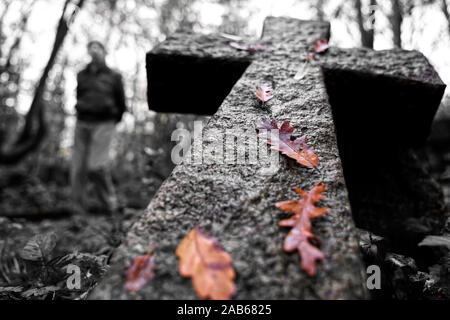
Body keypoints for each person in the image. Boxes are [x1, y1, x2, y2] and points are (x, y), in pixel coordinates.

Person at [71, 40, 126, 215]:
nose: (93, 50)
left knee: (96, 166)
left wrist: (113, 118)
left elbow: (121, 101)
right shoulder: (82, 74)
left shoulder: (114, 76)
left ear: (104, 51)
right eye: (90, 47)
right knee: (77, 169)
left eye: (97, 47)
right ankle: (78, 211)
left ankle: (110, 204)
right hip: (82, 123)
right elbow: (79, 94)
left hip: (104, 123)